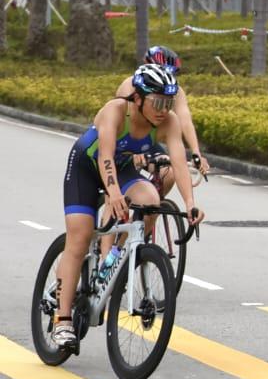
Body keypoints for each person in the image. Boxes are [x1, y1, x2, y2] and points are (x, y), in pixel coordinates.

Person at [50, 64, 207, 353]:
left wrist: (190, 204)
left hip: (121, 169)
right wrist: (112, 193)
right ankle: (62, 321)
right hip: (87, 168)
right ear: (138, 98)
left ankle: (116, 257)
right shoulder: (115, 111)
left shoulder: (168, 122)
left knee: (150, 199)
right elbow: (105, 157)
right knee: (80, 237)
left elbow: (178, 163)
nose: (164, 109)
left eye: (169, 102)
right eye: (157, 102)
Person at [113, 46, 210, 184]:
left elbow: (185, 120)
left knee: (168, 173)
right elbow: (124, 119)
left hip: (146, 139)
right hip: (123, 139)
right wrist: (135, 153)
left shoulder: (175, 90)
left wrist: (196, 152)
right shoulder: (130, 84)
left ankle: (152, 203)